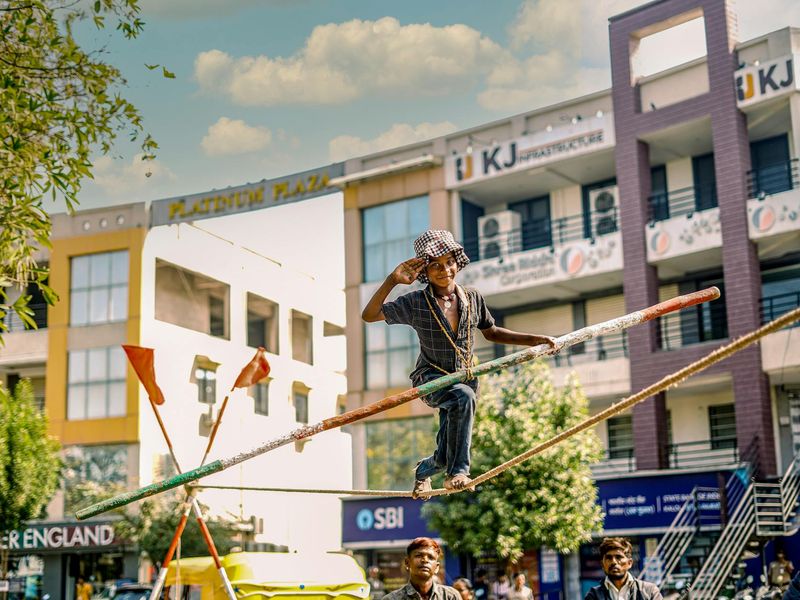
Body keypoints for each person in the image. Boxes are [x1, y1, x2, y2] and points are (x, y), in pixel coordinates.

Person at [362, 230, 556, 498]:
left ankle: (425, 470)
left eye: (449, 262)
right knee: (462, 398)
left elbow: (492, 332)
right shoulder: (416, 302)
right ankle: (459, 472)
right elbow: (369, 315)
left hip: (464, 379)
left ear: (458, 262)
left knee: (444, 453)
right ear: (425, 271)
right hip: (432, 379)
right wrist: (392, 280)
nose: (445, 270)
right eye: (435, 266)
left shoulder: (472, 297)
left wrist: (535, 340)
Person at [382, 537, 460, 600]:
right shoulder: (392, 598)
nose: (425, 560)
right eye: (418, 556)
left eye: (430, 557)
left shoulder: (450, 596)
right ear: (407, 563)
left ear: (437, 567)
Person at [584, 537, 662, 600]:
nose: (613, 562)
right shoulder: (594, 595)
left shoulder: (649, 591)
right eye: (609, 558)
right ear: (602, 564)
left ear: (630, 563)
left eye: (618, 557)